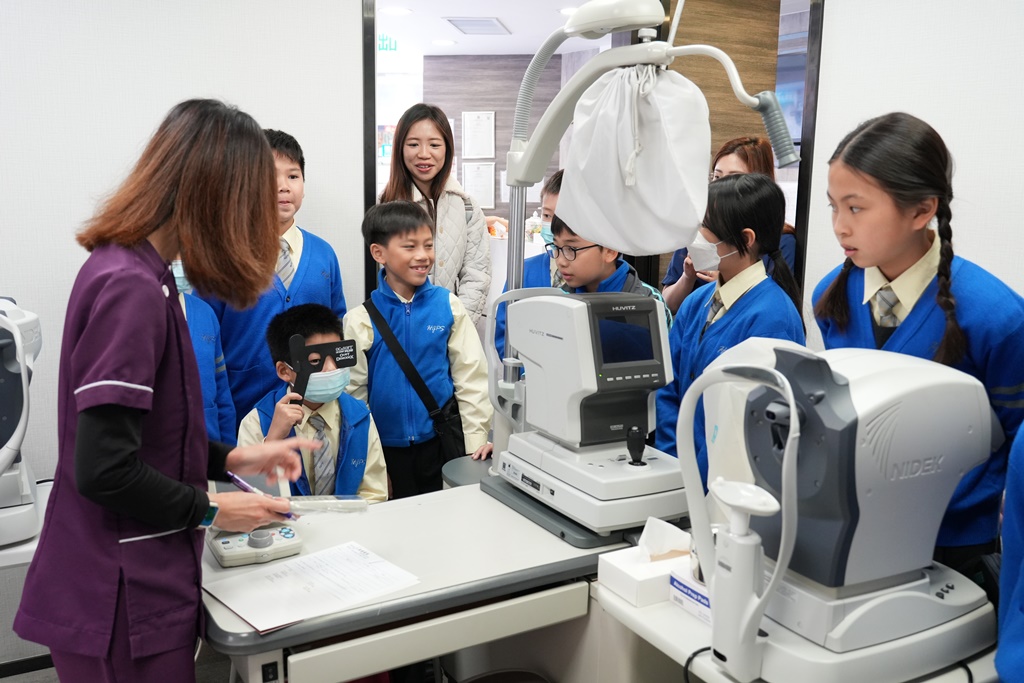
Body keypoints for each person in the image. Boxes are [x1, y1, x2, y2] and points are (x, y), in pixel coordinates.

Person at [13, 99, 316, 683]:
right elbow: (105, 468)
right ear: (213, 196)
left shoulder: (142, 273)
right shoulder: (130, 288)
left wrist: (233, 458)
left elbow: (155, 431)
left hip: (140, 578)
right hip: (118, 593)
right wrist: (212, 508)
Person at [812, 112, 1024, 579]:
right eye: (833, 207)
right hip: (856, 530)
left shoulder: (997, 318)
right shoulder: (831, 298)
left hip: (954, 547)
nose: (839, 227)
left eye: (856, 208)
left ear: (921, 210)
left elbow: (1016, 445)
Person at [654, 174, 805, 487]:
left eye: (704, 228)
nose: (694, 237)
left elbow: (748, 427)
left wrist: (700, 482)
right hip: (677, 475)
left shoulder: (773, 318)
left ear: (746, 239)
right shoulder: (696, 302)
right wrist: (674, 464)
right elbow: (668, 386)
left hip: (727, 487)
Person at [344, 200, 491, 499]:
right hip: (386, 451)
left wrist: (475, 444)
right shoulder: (360, 320)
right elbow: (353, 397)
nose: (423, 256)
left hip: (441, 444)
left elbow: (471, 378)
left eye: (428, 245)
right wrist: (370, 462)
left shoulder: (448, 305)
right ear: (379, 253)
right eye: (410, 247)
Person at [200, 129, 347, 427]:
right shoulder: (221, 257)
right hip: (244, 414)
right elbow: (204, 343)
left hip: (313, 416)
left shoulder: (324, 255)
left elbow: (337, 329)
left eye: (293, 176)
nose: (283, 187)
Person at [237, 304, 388, 502]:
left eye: (337, 356)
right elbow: (248, 500)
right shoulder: (257, 423)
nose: (331, 368)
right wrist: (272, 441)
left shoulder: (360, 417)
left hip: (350, 520)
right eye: (315, 361)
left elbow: (375, 494)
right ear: (284, 371)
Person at [380, 103, 490, 324]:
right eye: (413, 144)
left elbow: (477, 275)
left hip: (452, 329)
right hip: (397, 329)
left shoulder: (467, 207)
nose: (424, 154)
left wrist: (454, 328)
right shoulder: (384, 206)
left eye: (434, 145)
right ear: (400, 148)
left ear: (447, 149)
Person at [662, 136, 798, 314]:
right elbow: (667, 306)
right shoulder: (698, 232)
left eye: (734, 178)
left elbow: (771, 306)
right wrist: (687, 277)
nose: (721, 187)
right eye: (717, 177)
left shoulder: (781, 243)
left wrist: (727, 283)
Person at [549, 213, 670, 327]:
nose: (561, 261)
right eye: (556, 247)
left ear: (610, 251)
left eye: (571, 249)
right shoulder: (559, 299)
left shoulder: (649, 303)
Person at [493, 169, 565, 359]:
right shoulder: (524, 270)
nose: (552, 224)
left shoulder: (593, 275)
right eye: (547, 216)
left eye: (560, 217)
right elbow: (503, 333)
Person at [171, 258, 236, 444]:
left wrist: (228, 450)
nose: (180, 261)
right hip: (159, 451)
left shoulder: (205, 313)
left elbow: (221, 392)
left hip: (209, 446)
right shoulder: (137, 314)